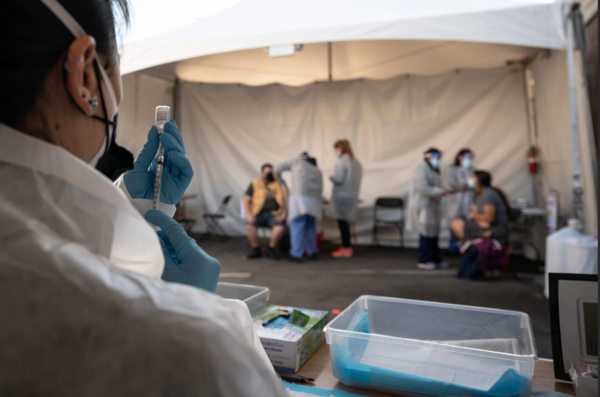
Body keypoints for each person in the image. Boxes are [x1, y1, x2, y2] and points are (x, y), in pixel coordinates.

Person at [0, 1, 286, 396]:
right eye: (115, 68)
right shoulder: (191, 349)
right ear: (84, 74)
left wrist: (133, 208)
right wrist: (196, 309)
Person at [407, 148, 453, 270]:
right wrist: (441, 191)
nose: (439, 161)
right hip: (423, 206)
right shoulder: (421, 169)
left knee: (434, 233)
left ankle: (435, 258)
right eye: (437, 158)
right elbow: (422, 187)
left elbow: (437, 185)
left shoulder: (434, 170)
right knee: (426, 233)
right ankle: (424, 259)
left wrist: (444, 190)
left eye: (440, 158)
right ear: (428, 157)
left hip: (432, 206)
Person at [276, 152, 323, 262]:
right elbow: (321, 189)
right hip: (314, 202)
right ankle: (312, 252)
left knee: (297, 226)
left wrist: (279, 178)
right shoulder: (317, 170)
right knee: (311, 226)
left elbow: (278, 167)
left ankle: (296, 254)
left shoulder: (297, 162)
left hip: (299, 200)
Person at [451, 170, 511, 244]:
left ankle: (472, 249)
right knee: (456, 223)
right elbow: (474, 214)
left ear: (479, 181)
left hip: (497, 229)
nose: (470, 179)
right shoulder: (477, 194)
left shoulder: (488, 193)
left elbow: (488, 218)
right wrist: (479, 221)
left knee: (458, 225)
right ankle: (472, 249)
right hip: (486, 225)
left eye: (473, 177)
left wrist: (476, 218)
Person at [243, 163, 288, 260]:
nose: (269, 175)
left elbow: (286, 198)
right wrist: (249, 214)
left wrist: (283, 215)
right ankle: (256, 250)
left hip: (275, 213)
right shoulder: (255, 183)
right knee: (249, 226)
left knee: (280, 226)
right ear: (262, 173)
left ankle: (270, 249)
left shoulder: (278, 183)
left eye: (271, 173)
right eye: (267, 173)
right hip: (258, 213)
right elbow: (246, 199)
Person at [327, 139, 363, 258]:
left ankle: (346, 247)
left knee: (342, 223)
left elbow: (339, 179)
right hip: (352, 195)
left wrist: (331, 177)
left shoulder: (342, 162)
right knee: (345, 222)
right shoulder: (356, 162)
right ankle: (346, 246)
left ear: (340, 149)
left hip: (342, 196)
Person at [446, 149, 475, 254]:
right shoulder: (452, 170)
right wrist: (467, 183)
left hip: (470, 201)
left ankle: (465, 247)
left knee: (468, 225)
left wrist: (470, 184)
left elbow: (476, 186)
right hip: (456, 202)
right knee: (454, 225)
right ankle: (453, 248)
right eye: (465, 157)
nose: (468, 160)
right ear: (459, 157)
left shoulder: (474, 170)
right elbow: (452, 185)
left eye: (470, 158)